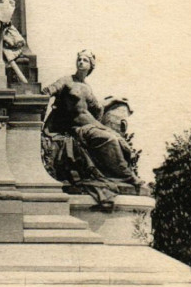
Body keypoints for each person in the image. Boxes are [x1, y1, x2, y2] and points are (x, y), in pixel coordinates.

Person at [42, 50, 142, 207]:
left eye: (85, 60)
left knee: (120, 141)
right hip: (78, 128)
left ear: (90, 66)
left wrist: (114, 100)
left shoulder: (88, 88)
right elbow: (49, 90)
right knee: (109, 139)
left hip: (93, 125)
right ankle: (127, 176)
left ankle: (119, 176)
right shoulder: (67, 81)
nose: (81, 62)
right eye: (79, 59)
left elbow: (97, 107)